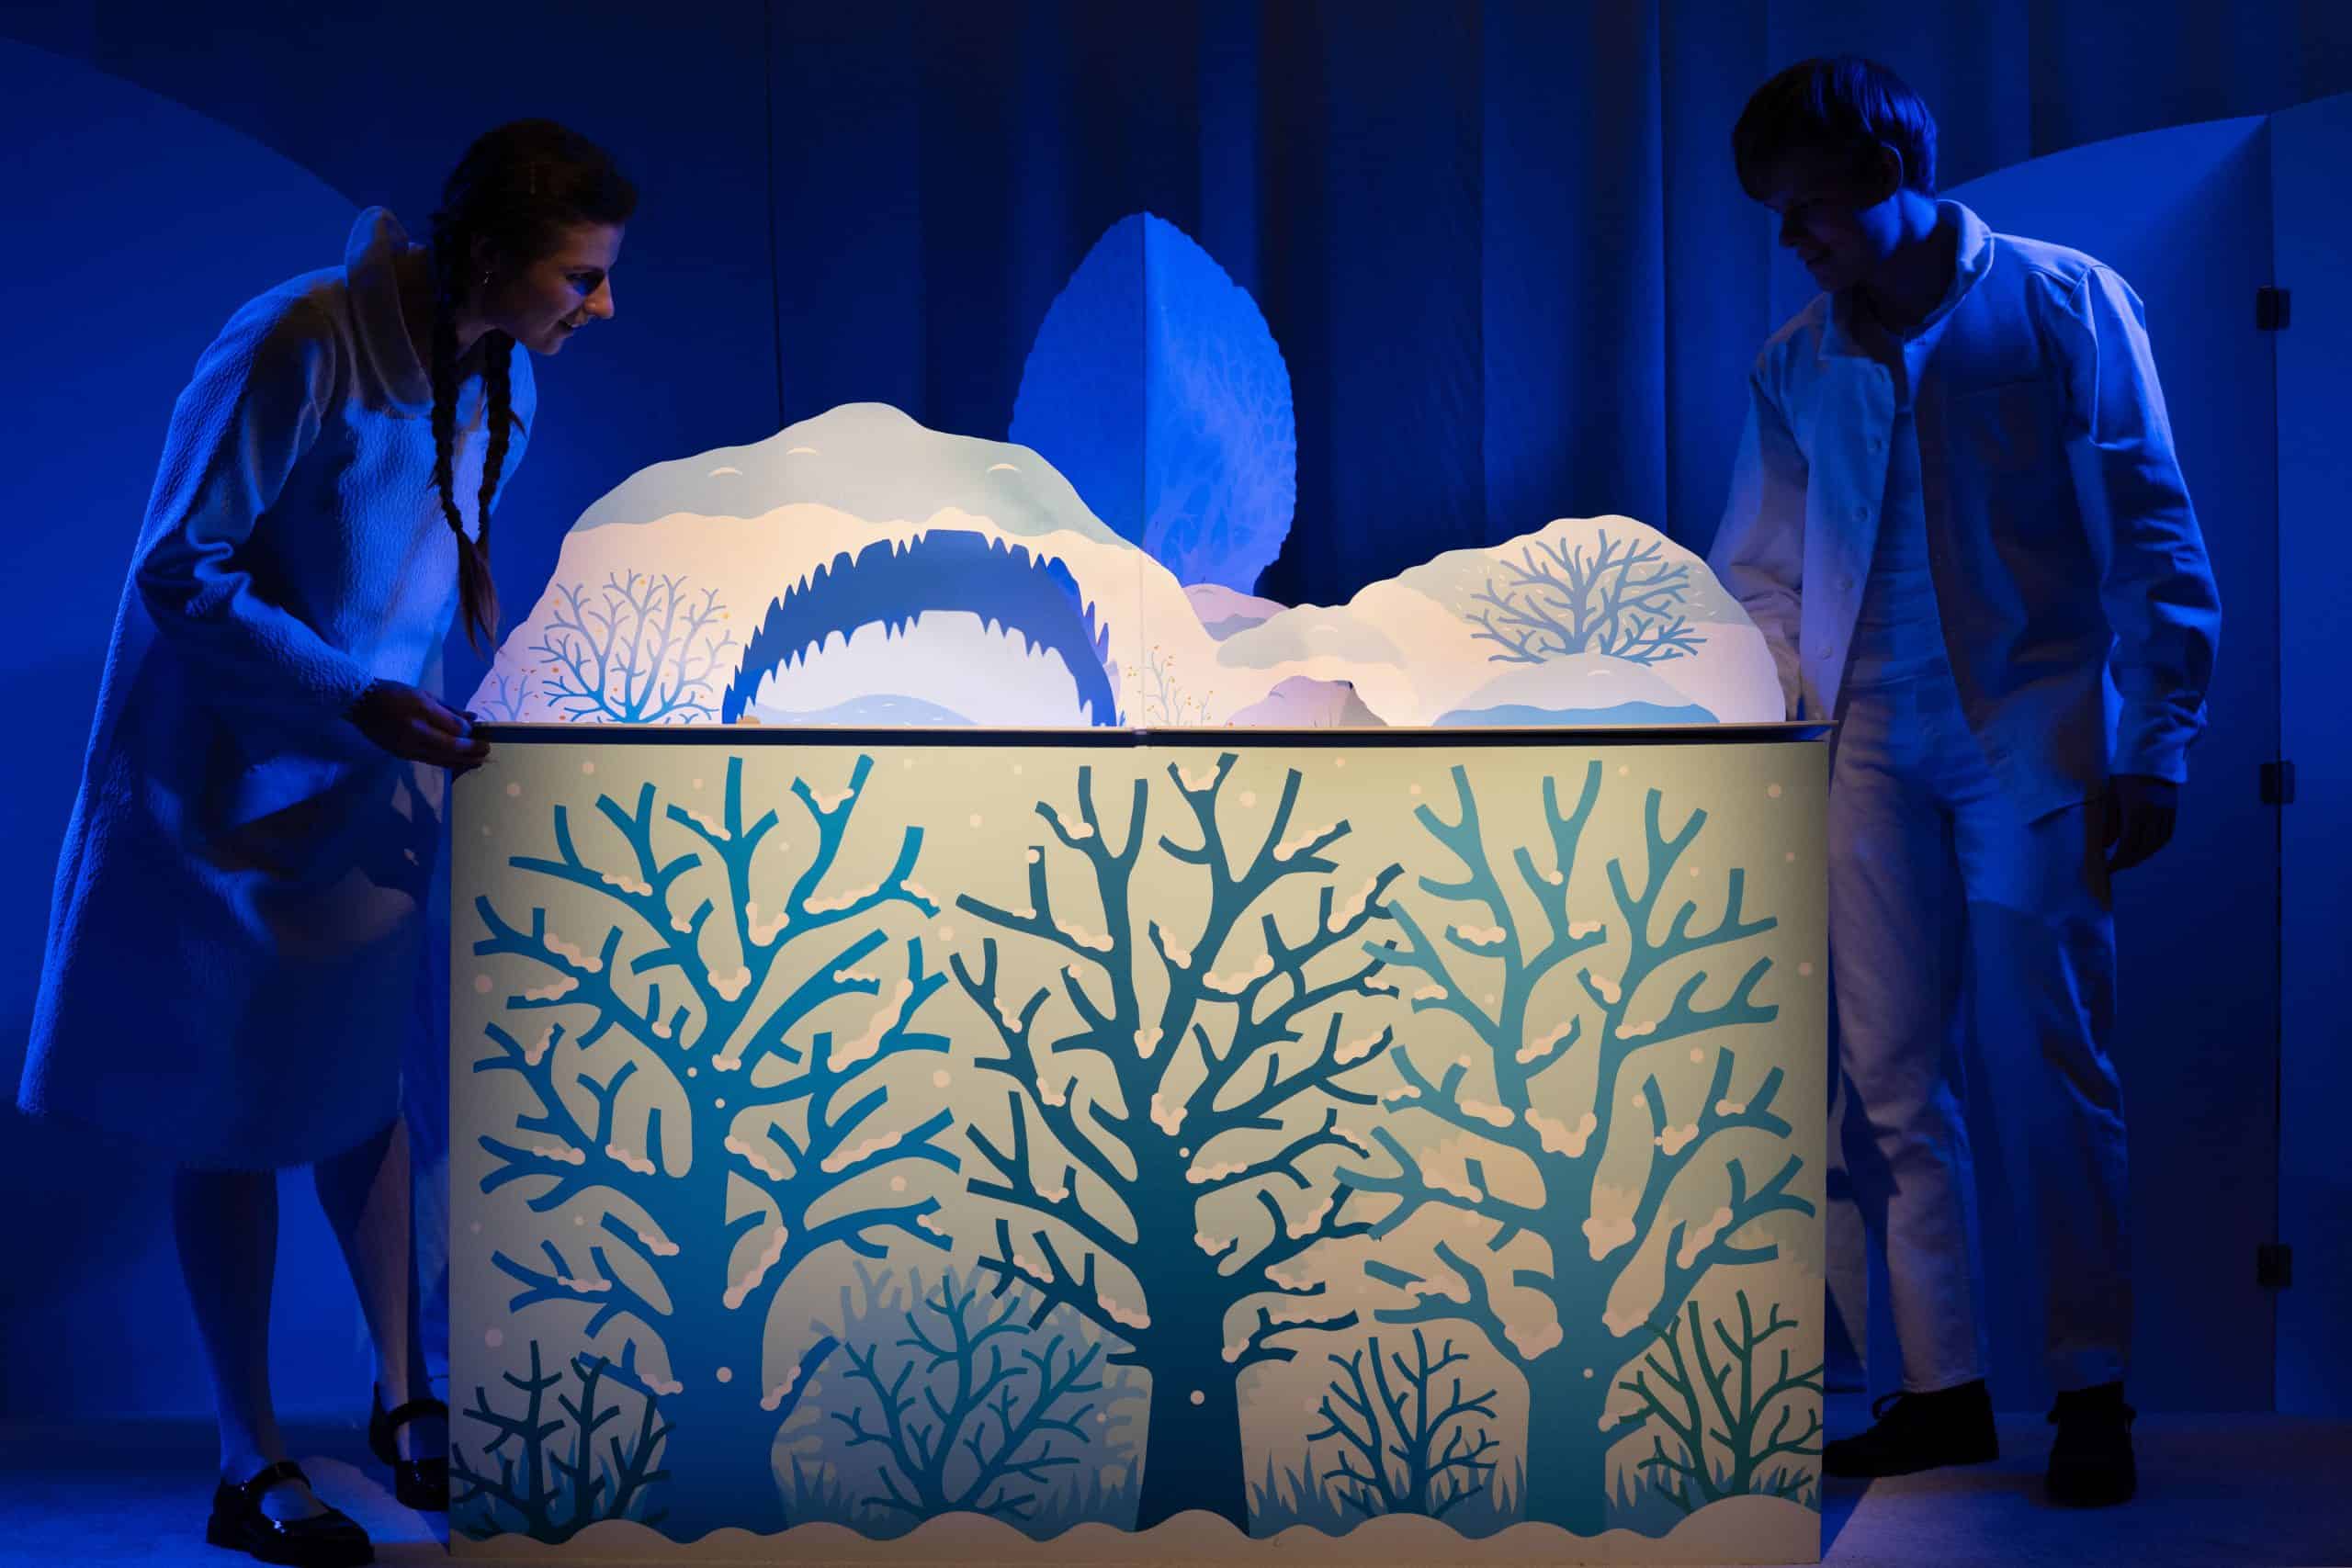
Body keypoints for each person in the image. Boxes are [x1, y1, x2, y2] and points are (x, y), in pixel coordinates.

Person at [16, 120, 632, 1566]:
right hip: (226, 790)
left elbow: (414, 584)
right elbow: (181, 566)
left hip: (367, 792)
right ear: (495, 255)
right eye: (579, 275)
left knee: (360, 1096)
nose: (601, 305)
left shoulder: (506, 380)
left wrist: (425, 721)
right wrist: (350, 695)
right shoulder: (299, 341)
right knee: (224, 1112)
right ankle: (249, 1457)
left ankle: (403, 1395)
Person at [1707, 59, 2220, 1506]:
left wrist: (2156, 736)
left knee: (2055, 1065)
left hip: (2036, 737)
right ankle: (1938, 1390)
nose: (1791, 239)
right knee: (1885, 1079)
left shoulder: (2064, 302)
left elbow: (2151, 523)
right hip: (1864, 740)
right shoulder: (1796, 363)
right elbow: (1758, 571)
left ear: (1884, 173)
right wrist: (1777, 729)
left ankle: (2091, 1391)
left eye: (1806, 207)